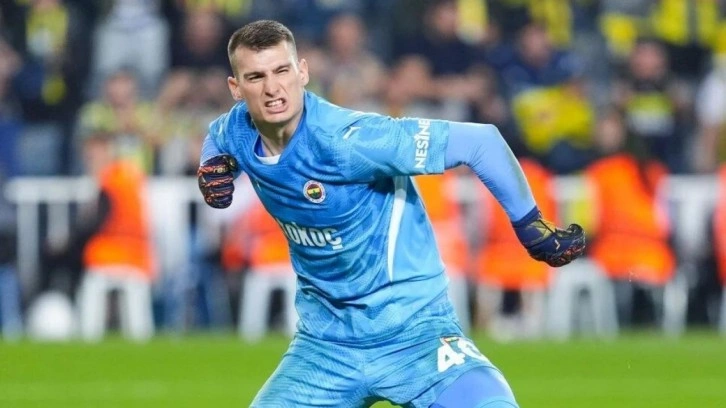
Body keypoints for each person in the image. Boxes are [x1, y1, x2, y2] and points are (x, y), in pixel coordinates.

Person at [197, 20, 585, 408]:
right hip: (325, 348)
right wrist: (212, 164)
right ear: (236, 88)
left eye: (282, 71)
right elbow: (217, 136)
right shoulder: (237, 130)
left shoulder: (351, 141)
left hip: (414, 336)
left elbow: (481, 142)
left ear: (302, 72)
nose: (272, 88)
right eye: (256, 77)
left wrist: (529, 224)